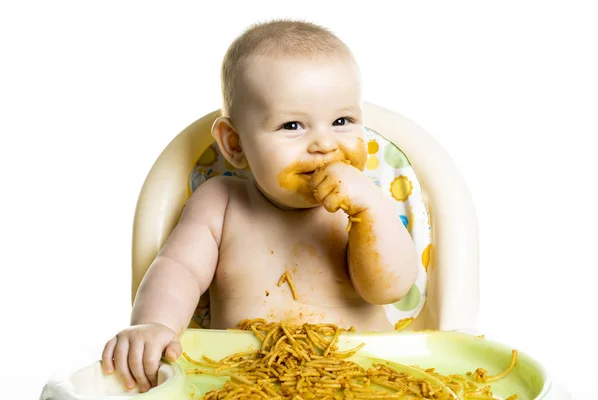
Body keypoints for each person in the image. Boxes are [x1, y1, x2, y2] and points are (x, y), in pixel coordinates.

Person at [102, 19, 418, 392]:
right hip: (244, 381)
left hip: (365, 376)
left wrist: (370, 212)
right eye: (292, 126)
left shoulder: (366, 205)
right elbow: (178, 270)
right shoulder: (219, 203)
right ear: (234, 144)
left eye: (342, 121)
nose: (324, 144)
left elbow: (388, 289)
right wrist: (155, 326)